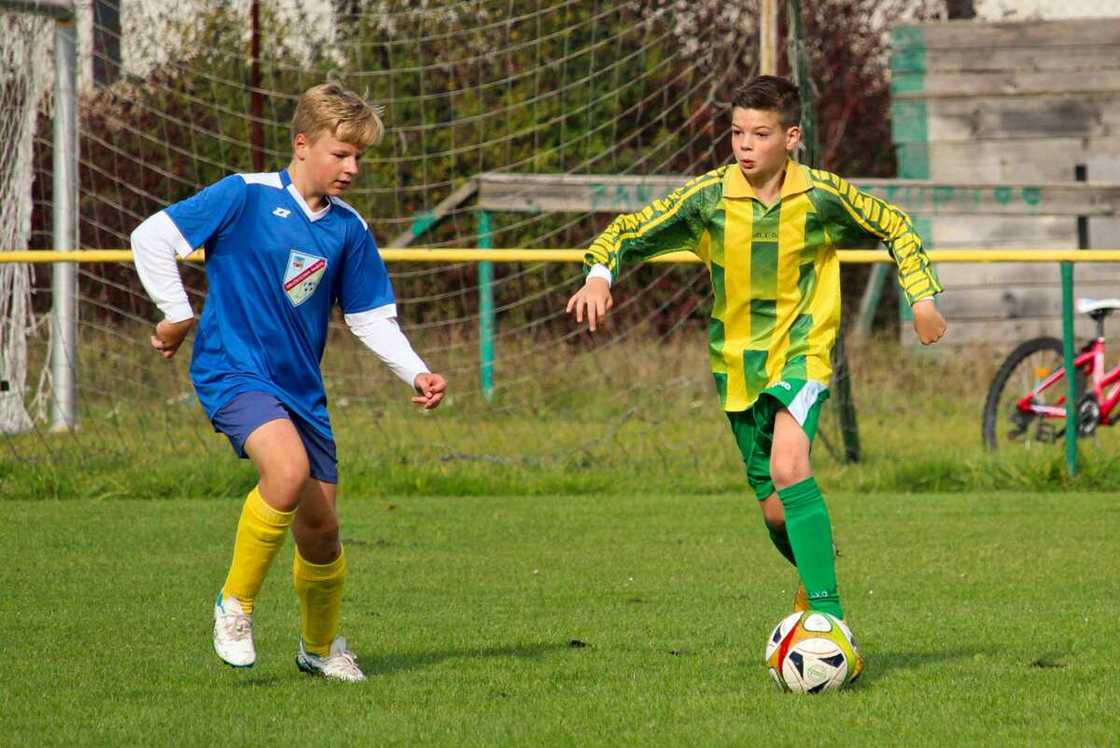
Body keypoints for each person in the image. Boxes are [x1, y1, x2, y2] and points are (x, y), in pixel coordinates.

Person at [565, 75, 947, 678]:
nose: (745, 145)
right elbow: (628, 231)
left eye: (760, 134)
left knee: (791, 466)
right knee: (775, 509)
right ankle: (811, 577)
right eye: (737, 132)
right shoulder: (708, 198)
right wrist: (598, 277)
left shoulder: (822, 196)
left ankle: (829, 616)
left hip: (804, 350)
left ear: (791, 137)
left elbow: (896, 226)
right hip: (736, 364)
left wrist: (921, 297)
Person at [131, 82, 446, 682]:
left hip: (300, 389)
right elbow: (152, 238)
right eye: (340, 154)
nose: (352, 168)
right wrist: (177, 313)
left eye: (359, 158)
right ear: (302, 144)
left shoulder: (347, 229)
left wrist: (417, 369)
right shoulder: (243, 195)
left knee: (322, 531)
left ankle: (320, 648)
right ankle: (235, 605)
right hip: (233, 369)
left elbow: (370, 318)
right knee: (285, 470)